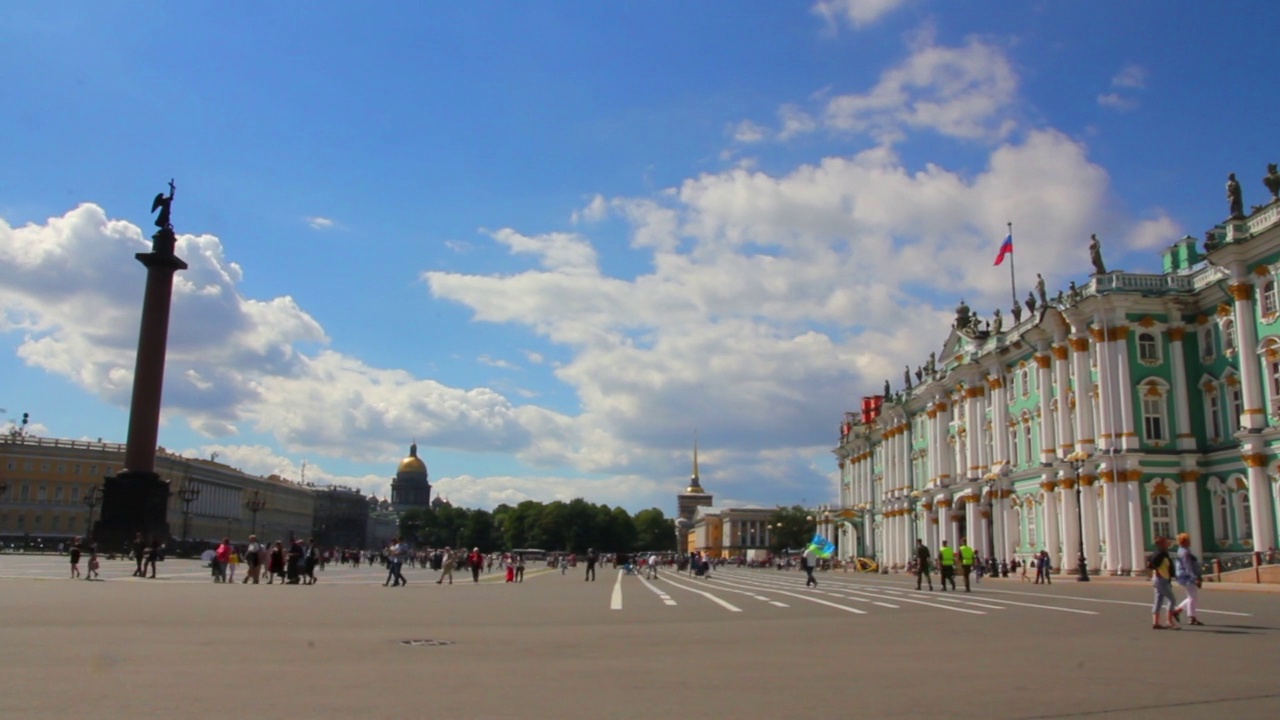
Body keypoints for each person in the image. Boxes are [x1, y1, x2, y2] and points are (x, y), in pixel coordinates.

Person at [1172, 533, 1205, 626]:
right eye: (1188, 540)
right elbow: (1188, 567)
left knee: (1192, 597)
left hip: (1185, 576)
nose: (1190, 542)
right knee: (1192, 597)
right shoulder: (1185, 552)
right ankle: (1191, 617)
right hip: (1187, 577)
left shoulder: (1181, 550)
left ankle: (1177, 610)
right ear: (1185, 541)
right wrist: (1195, 578)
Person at [1149, 536, 1179, 630]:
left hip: (1162, 579)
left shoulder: (1163, 553)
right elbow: (1152, 564)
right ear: (1161, 544)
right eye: (1165, 542)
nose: (1168, 544)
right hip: (1161, 579)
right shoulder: (1160, 554)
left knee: (1158, 600)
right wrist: (1157, 572)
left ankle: (1155, 622)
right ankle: (1169, 621)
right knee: (1172, 600)